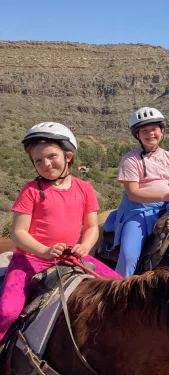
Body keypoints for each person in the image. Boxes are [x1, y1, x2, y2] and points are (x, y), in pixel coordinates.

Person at [0, 122, 121, 344]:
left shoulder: (84, 188)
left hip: (71, 256)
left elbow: (92, 227)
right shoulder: (31, 191)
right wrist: (44, 251)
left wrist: (85, 246)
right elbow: (19, 233)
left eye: (51, 156)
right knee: (7, 311)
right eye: (38, 160)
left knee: (122, 288)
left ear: (68, 156)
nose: (45, 164)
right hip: (30, 260)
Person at [112, 107, 169, 277]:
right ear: (137, 135)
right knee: (129, 255)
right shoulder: (130, 160)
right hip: (138, 211)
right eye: (144, 130)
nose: (150, 134)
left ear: (162, 131)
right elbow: (133, 193)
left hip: (168, 206)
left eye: (154, 129)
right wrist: (165, 195)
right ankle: (117, 287)